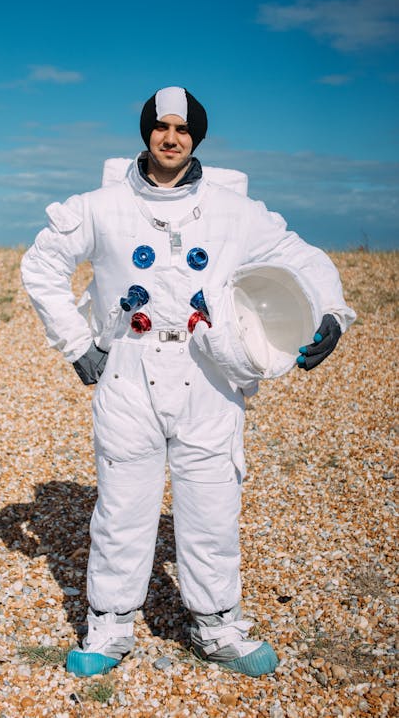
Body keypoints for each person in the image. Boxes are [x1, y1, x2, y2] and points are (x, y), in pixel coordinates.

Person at [21, 86, 355, 678]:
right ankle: (110, 625)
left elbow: (301, 256)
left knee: (212, 503)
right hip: (128, 370)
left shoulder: (234, 212)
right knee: (123, 504)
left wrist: (331, 312)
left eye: (182, 129)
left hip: (209, 376)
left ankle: (217, 625)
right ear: (146, 132)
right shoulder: (102, 206)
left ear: (196, 137)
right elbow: (42, 263)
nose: (170, 138)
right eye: (160, 127)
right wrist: (76, 344)